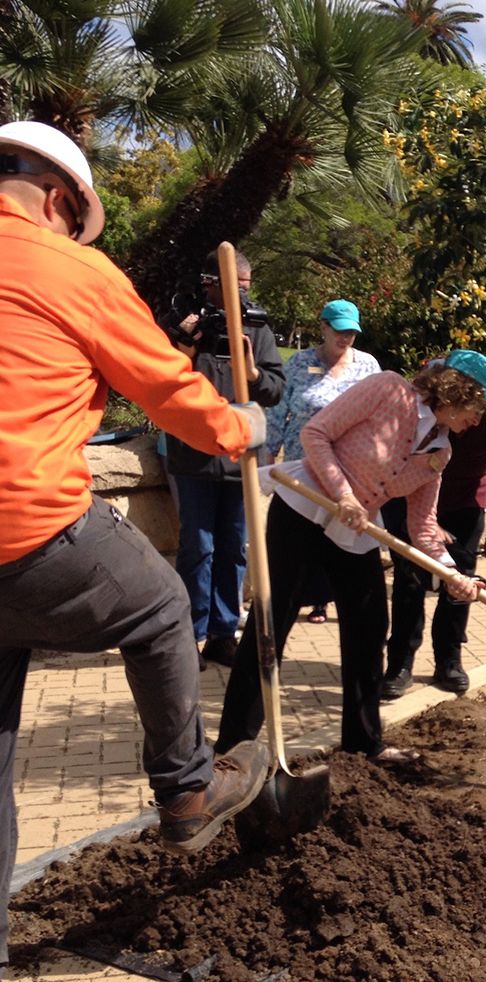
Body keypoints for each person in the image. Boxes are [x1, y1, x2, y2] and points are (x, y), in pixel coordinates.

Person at [0, 120, 270, 982]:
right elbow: (166, 386)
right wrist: (244, 428)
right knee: (160, 605)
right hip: (26, 526)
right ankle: (189, 792)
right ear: (59, 200)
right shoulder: (67, 268)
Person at [215, 351, 486, 761]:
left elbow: (423, 524)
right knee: (271, 625)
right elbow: (316, 433)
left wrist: (453, 571)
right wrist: (344, 494)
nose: (477, 421)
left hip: (356, 530)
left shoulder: (440, 450)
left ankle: (364, 744)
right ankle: (232, 751)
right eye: (478, 409)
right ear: (457, 391)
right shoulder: (387, 390)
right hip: (304, 507)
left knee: (369, 629)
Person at [161, 250, 285, 670]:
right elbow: (165, 384)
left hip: (239, 458)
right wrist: (186, 349)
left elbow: (274, 390)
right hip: (193, 455)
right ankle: (191, 636)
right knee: (197, 547)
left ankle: (222, 633)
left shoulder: (258, 329)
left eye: (245, 288)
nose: (239, 296)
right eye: (232, 287)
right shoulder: (187, 326)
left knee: (235, 548)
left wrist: (250, 374)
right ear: (209, 283)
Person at [381, 375, 486, 698]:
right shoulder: (432, 402)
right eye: (475, 411)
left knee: (460, 581)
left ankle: (449, 659)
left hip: (466, 501)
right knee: (409, 579)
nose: (475, 421)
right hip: (414, 494)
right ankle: (400, 662)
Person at [265, 299, 380, 623]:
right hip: (302, 465)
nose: (345, 339)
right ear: (324, 327)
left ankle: (325, 599)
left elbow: (379, 416)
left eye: (351, 333)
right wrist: (269, 452)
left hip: (349, 468)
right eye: (339, 331)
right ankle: (296, 598)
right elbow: (277, 411)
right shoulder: (300, 363)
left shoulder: (367, 366)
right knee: (302, 534)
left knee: (338, 532)